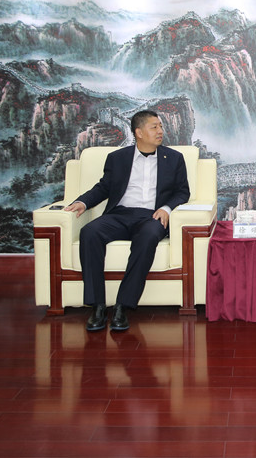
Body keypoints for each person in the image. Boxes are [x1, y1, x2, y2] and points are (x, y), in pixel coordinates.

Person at [64, 110, 190, 332]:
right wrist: (83, 202)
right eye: (154, 127)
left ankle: (123, 305)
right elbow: (103, 187)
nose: (160, 131)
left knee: (148, 237)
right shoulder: (118, 158)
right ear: (139, 132)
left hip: (151, 216)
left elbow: (182, 192)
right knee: (90, 232)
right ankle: (97, 305)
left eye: (160, 126)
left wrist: (166, 208)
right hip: (119, 214)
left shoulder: (174, 158)